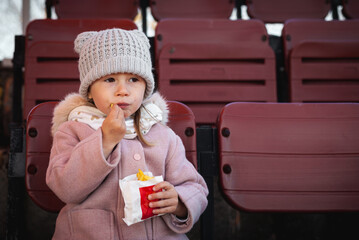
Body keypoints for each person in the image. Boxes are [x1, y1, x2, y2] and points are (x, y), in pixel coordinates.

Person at [46, 28, 208, 240]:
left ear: (146, 87)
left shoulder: (163, 135)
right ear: (89, 90)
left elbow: (195, 186)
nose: (123, 90)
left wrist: (178, 202)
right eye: (110, 79)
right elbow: (65, 188)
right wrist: (104, 141)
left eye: (134, 79)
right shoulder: (73, 129)